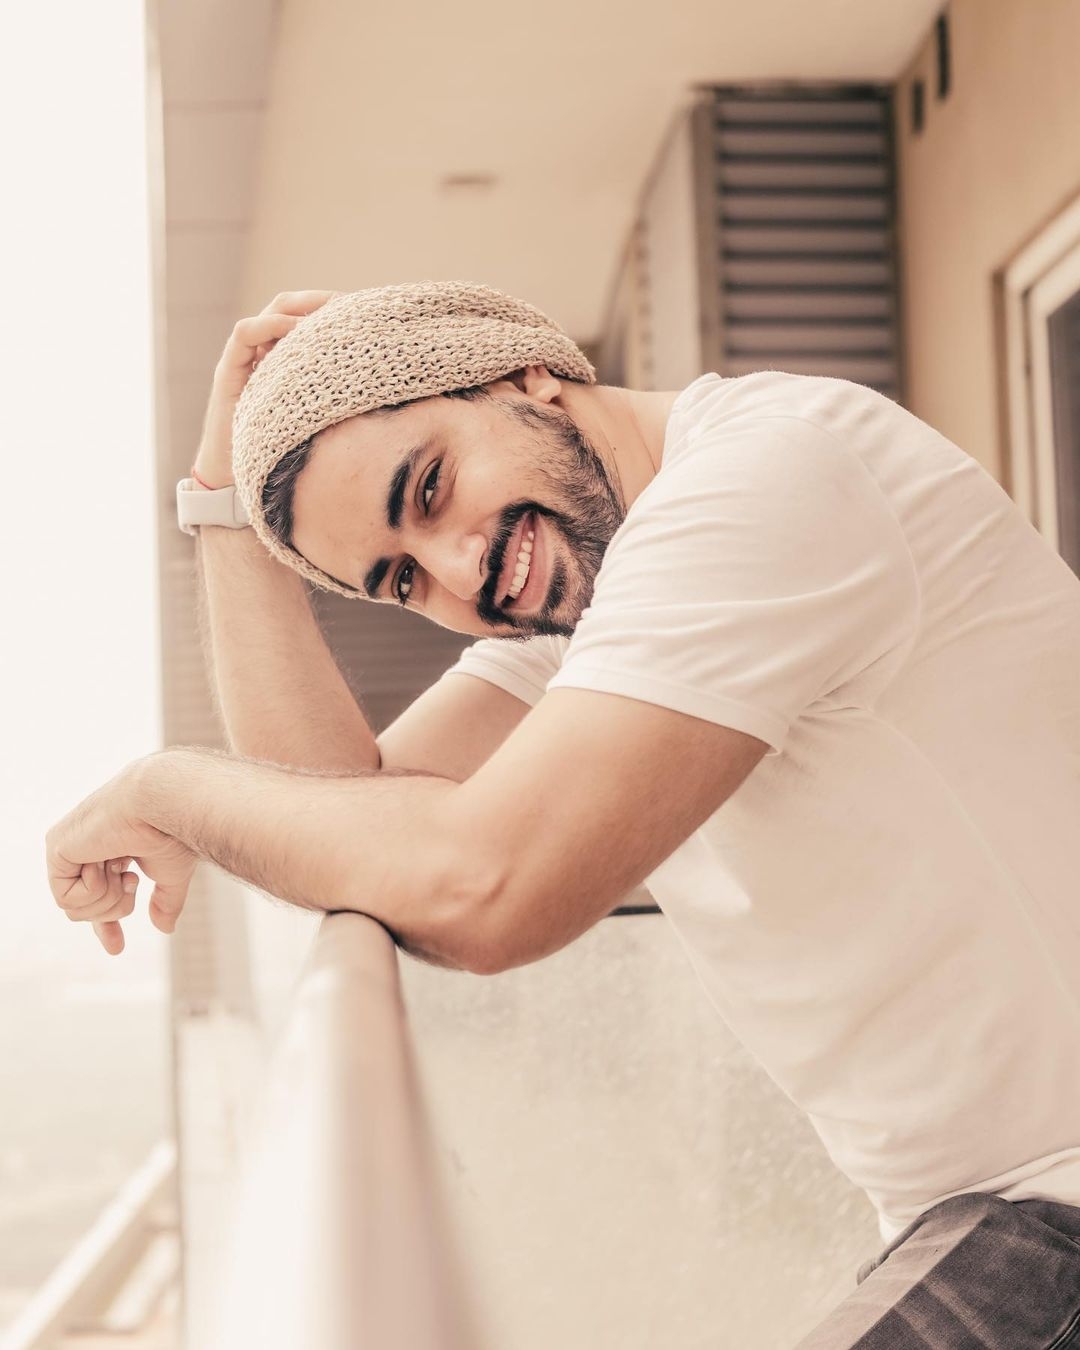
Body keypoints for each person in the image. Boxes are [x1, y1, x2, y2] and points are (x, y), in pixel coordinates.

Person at [45, 282, 1080, 1347]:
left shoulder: (768, 478)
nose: (462, 571)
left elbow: (486, 890)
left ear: (525, 375)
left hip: (1051, 1206)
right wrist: (224, 509)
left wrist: (166, 787)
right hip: (978, 1216)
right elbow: (342, 815)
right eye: (402, 579)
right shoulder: (600, 605)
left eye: (431, 487)